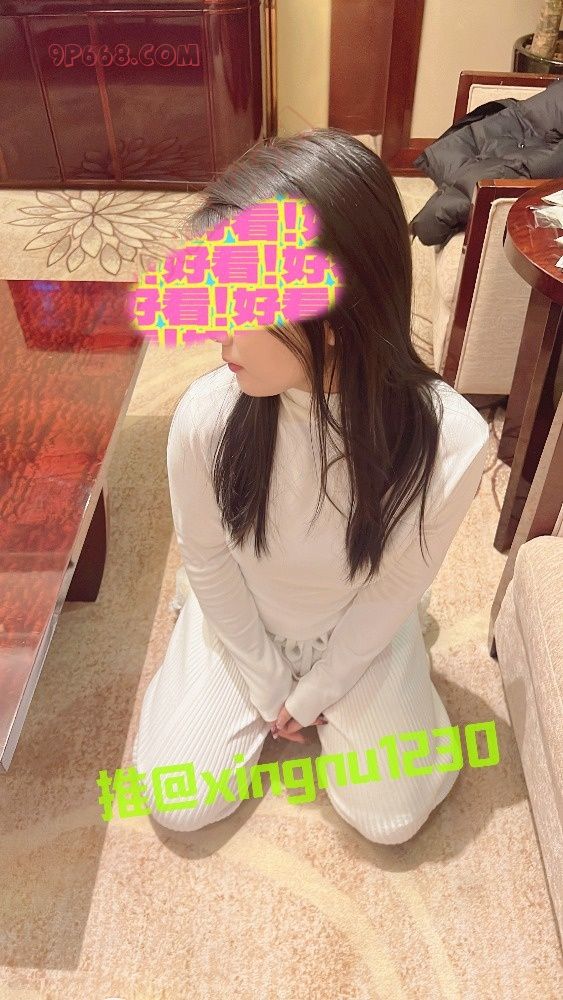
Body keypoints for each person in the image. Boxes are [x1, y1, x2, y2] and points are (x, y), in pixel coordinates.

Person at [131, 128, 490, 844]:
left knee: (390, 817)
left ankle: (395, 657)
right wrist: (268, 683)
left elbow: (396, 582)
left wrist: (325, 686)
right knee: (179, 801)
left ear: (334, 313)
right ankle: (201, 637)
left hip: (357, 618)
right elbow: (206, 556)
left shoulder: (450, 440)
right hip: (247, 612)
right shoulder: (207, 415)